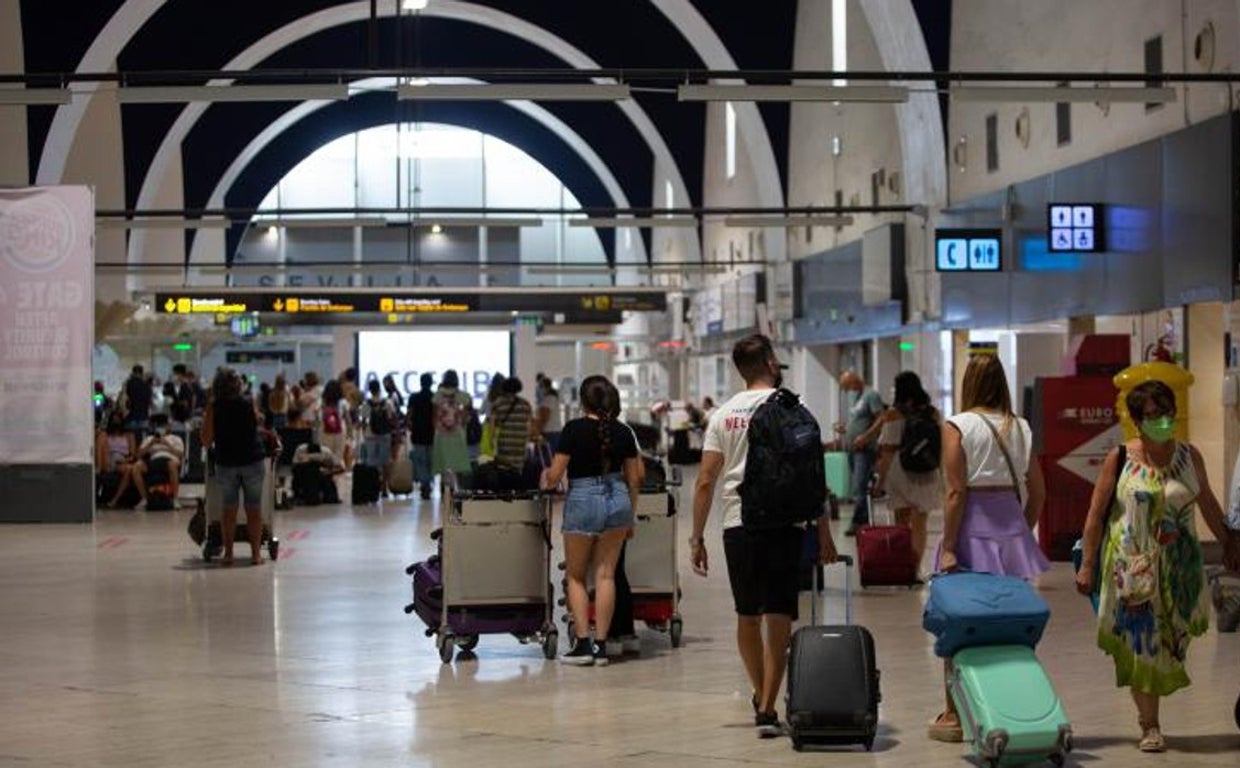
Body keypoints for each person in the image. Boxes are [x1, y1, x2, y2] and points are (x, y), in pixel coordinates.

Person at [1075, 380, 1240, 752]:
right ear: (1136, 421)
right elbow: (1095, 516)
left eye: (1166, 413)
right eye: (1152, 416)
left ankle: (1151, 717)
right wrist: (1086, 565)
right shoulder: (1119, 459)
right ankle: (1149, 724)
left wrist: (1230, 543)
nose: (1162, 421)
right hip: (1132, 569)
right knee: (1142, 645)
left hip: (1179, 570)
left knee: (1169, 644)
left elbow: (1209, 505)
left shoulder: (1189, 456)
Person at [689, 333, 838, 737]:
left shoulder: (723, 415)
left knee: (747, 615)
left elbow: (705, 481)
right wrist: (823, 531)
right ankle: (770, 702)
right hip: (785, 525)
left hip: (739, 524)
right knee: (778, 616)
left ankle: (763, 698)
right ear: (771, 363)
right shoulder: (794, 407)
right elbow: (813, 476)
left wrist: (696, 537)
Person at [929, 353, 1050, 742]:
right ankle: (1009, 701)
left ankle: (954, 713)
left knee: (959, 617)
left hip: (970, 529)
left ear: (968, 384)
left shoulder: (957, 426)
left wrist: (948, 546)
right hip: (1011, 529)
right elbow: (1040, 492)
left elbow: (955, 491)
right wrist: (1020, 530)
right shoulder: (1021, 428)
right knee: (1009, 621)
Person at [542, 375, 643, 667]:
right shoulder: (623, 431)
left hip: (583, 498)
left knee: (575, 575)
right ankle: (602, 646)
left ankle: (583, 645)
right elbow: (635, 477)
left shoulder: (573, 430)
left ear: (583, 401)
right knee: (606, 575)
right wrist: (630, 516)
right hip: (619, 500)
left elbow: (555, 475)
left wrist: (549, 478)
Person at [871, 371, 942, 572]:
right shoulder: (932, 413)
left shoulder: (893, 415)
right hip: (927, 472)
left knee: (901, 523)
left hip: (900, 472)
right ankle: (916, 568)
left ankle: (904, 567)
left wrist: (880, 482)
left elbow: (887, 452)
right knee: (921, 523)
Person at [201, 368, 267, 566]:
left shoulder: (214, 407)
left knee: (229, 509)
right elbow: (257, 423)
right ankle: (255, 555)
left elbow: (206, 439)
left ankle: (228, 554)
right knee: (253, 509)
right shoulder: (248, 403)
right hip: (252, 460)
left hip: (226, 462)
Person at [837, 371, 885, 535]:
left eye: (847, 386)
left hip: (864, 450)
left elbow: (881, 418)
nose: (848, 390)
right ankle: (861, 519)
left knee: (859, 486)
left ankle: (859, 521)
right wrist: (846, 428)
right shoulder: (857, 397)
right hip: (853, 449)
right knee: (857, 487)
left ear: (854, 380)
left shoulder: (871, 395)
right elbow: (858, 420)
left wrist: (866, 436)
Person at [132, 412, 185, 506]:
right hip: (153, 461)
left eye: (164, 426)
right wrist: (151, 443)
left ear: (169, 427)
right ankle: (144, 498)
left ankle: (175, 499)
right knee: (136, 467)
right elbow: (138, 455)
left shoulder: (176, 438)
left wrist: (166, 444)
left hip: (169, 459)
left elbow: (180, 455)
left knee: (172, 464)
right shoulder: (150, 439)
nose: (162, 428)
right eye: (159, 426)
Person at [432, 370, 473, 487]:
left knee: (443, 463)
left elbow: (434, 416)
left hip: (441, 434)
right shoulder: (463, 396)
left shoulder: (437, 395)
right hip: (457, 434)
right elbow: (465, 417)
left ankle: (444, 488)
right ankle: (458, 488)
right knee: (458, 463)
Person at [489, 376, 533, 485]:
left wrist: (491, 439)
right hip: (519, 442)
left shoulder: (498, 403)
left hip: (505, 441)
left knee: (504, 468)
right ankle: (517, 492)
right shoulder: (525, 404)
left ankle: (506, 491)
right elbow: (529, 424)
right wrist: (527, 439)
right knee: (518, 468)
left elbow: (492, 424)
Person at [360, 379, 398, 495]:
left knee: (372, 461)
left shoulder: (366, 404)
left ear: (370, 390)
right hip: (385, 434)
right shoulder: (387, 402)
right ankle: (384, 487)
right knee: (385, 461)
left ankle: (373, 486)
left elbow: (364, 420)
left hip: (370, 435)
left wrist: (363, 432)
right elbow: (393, 417)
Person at [97, 411, 137, 507]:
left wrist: (126, 460)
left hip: (124, 460)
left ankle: (115, 500)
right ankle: (99, 468)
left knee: (128, 469)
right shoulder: (105, 435)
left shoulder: (129, 435)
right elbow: (101, 449)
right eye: (114, 420)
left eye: (118, 420)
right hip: (109, 458)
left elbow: (133, 454)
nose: (116, 422)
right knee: (102, 437)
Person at [407, 373, 437, 500]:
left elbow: (409, 415)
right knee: (431, 460)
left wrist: (410, 426)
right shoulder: (435, 397)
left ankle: (424, 484)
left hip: (418, 432)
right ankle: (428, 483)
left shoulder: (414, 397)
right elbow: (436, 415)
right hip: (431, 433)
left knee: (420, 461)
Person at [534, 377, 563, 451]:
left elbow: (544, 418)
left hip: (550, 433)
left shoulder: (549, 399)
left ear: (544, 387)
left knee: (547, 457)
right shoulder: (550, 398)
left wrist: (537, 431)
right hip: (553, 432)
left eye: (540, 387)